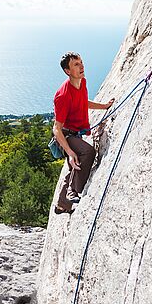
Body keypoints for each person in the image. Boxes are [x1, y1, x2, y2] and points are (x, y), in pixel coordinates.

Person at [52, 51, 114, 214]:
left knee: (75, 167)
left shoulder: (82, 82)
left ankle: (62, 204)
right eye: (76, 64)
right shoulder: (63, 95)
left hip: (74, 133)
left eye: (81, 62)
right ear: (67, 71)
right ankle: (72, 192)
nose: (82, 66)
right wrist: (70, 152)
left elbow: (82, 102)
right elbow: (56, 129)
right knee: (87, 152)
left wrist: (104, 106)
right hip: (65, 134)